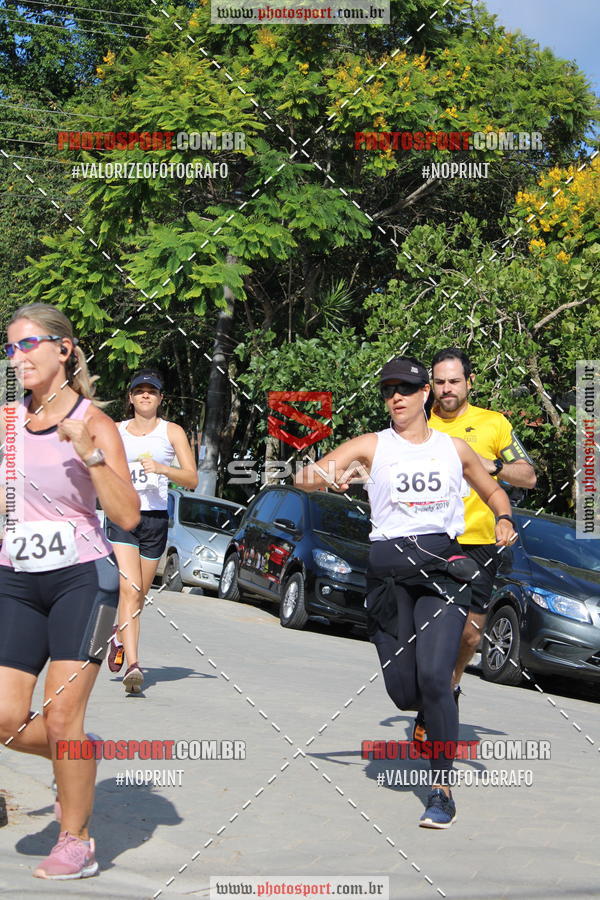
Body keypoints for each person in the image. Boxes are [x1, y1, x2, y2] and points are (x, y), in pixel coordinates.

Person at [294, 356, 517, 828]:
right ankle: (432, 712)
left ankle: (441, 788)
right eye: (388, 390)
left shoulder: (454, 449)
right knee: (403, 693)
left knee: (437, 678)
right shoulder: (372, 446)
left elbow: (495, 492)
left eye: (405, 388)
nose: (395, 396)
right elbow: (304, 476)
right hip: (388, 575)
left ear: (424, 395)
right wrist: (332, 475)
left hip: (441, 567)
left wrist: (503, 518)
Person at [0, 303, 140, 879]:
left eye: (30, 344)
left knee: (60, 721)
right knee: (6, 720)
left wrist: (90, 454)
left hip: (82, 577)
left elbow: (128, 515)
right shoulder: (7, 421)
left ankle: (76, 840)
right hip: (15, 578)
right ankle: (76, 756)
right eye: (11, 348)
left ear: (65, 349)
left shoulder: (94, 421)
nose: (19, 357)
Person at [411, 348, 536, 731]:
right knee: (427, 628)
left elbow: (528, 475)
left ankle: (450, 685)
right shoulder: (416, 424)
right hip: (429, 539)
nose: (446, 389)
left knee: (469, 632)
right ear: (431, 385)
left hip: (480, 542)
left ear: (469, 382)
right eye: (440, 382)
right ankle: (429, 699)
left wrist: (492, 466)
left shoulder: (494, 423)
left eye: (454, 381)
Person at [105, 369, 198, 693]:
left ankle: (118, 634)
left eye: (152, 391)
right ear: (130, 398)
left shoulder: (172, 432)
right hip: (122, 515)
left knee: (139, 595)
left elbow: (192, 479)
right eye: (139, 391)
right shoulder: (114, 431)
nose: (146, 395)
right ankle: (134, 665)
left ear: (160, 398)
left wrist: (162, 469)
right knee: (129, 590)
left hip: (155, 519)